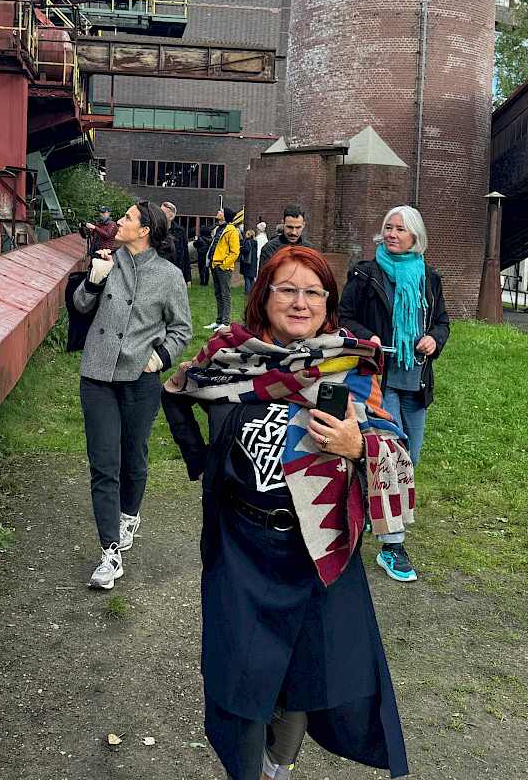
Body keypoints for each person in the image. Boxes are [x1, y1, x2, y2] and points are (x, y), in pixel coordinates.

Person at [162, 246, 412, 780]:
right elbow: (178, 388)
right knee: (241, 676)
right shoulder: (232, 357)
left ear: (328, 305)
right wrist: (199, 459)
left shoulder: (351, 367)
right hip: (241, 546)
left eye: (313, 292)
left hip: (317, 549)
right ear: (264, 297)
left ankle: (279, 767)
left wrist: (357, 446)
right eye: (288, 290)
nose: (300, 302)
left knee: (306, 673)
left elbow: (396, 450)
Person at [73, 200, 193, 590]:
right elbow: (80, 306)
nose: (118, 222)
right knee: (104, 463)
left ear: (144, 231)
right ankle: (110, 553)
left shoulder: (169, 276)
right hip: (97, 375)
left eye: (127, 218)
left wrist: (158, 359)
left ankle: (129, 514)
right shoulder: (108, 259)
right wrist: (95, 278)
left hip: (140, 380)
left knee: (134, 455)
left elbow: (182, 329)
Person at [339, 204, 449, 584]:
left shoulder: (429, 277)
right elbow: (344, 317)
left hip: (416, 383)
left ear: (415, 236)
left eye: (400, 229)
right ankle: (392, 547)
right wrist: (365, 336)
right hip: (378, 382)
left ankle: (372, 507)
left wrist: (434, 339)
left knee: (410, 458)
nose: (391, 234)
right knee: (391, 459)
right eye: (388, 227)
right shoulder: (365, 274)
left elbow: (441, 322)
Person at [206, 206, 240, 330]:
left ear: (225, 216)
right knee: (218, 294)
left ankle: (225, 322)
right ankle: (219, 320)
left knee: (225, 295)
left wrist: (224, 265)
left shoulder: (232, 231)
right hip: (215, 265)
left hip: (223, 268)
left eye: (221, 211)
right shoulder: (218, 229)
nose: (218, 211)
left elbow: (235, 252)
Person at [161, 201, 192, 288]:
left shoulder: (180, 231)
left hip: (176, 269)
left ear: (171, 217)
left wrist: (187, 277)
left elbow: (185, 254)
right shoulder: (155, 230)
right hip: (160, 270)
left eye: (163, 213)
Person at [239, 228, 258, 294]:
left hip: (247, 262)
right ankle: (253, 291)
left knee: (246, 277)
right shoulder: (255, 242)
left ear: (249, 235)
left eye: (246, 233)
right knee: (251, 277)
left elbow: (247, 250)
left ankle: (247, 291)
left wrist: (240, 248)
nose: (245, 234)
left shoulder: (247, 241)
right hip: (253, 262)